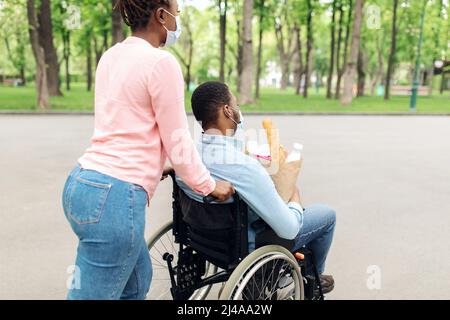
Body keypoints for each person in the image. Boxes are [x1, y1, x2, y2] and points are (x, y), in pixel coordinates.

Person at [61, 1, 234, 300]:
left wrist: (158, 165)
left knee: (137, 281)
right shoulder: (160, 63)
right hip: (114, 198)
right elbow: (177, 139)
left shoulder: (111, 56)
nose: (177, 21)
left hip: (82, 184)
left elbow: (126, 126)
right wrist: (209, 186)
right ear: (160, 16)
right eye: (176, 14)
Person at [177, 81, 337, 294]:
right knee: (327, 215)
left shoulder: (186, 158)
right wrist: (295, 200)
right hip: (246, 245)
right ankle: (313, 282)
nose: (238, 110)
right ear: (227, 110)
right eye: (236, 104)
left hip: (203, 239)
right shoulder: (246, 167)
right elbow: (289, 228)